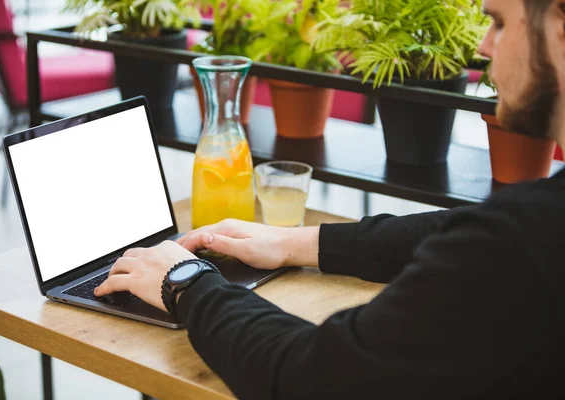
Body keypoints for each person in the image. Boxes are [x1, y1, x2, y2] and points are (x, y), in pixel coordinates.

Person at [95, 0, 565, 398]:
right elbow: (454, 232)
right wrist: (297, 242)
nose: (483, 45)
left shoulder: (519, 243)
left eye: (499, 22)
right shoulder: (534, 224)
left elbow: (311, 375)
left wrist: (186, 282)